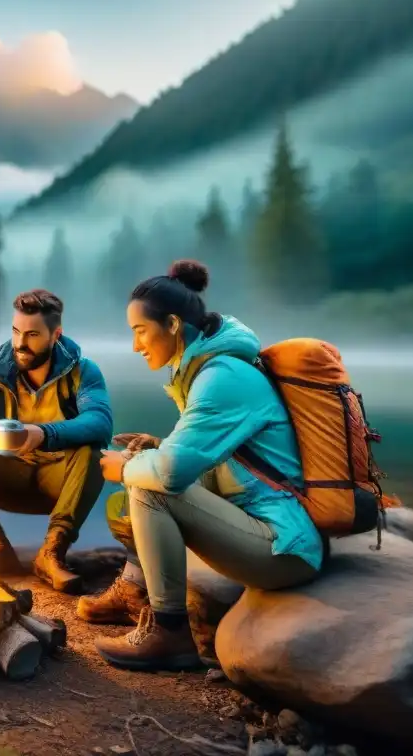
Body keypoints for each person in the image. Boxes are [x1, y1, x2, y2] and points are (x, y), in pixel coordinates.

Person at [83, 259, 325, 671]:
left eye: (140, 331)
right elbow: (222, 459)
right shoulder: (211, 370)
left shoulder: (221, 379)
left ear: (173, 325)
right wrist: (156, 448)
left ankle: (169, 633)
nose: (135, 345)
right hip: (259, 522)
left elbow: (173, 474)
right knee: (150, 466)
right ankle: (133, 590)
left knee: (150, 486)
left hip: (282, 547)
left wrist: (122, 469)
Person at [0, 289, 113, 593]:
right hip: (10, 477)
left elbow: (100, 421)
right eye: (16, 331)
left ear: (55, 335)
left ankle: (52, 553)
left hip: (60, 483)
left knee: (93, 453)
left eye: (32, 334)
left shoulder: (82, 371)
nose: (20, 343)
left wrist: (43, 434)